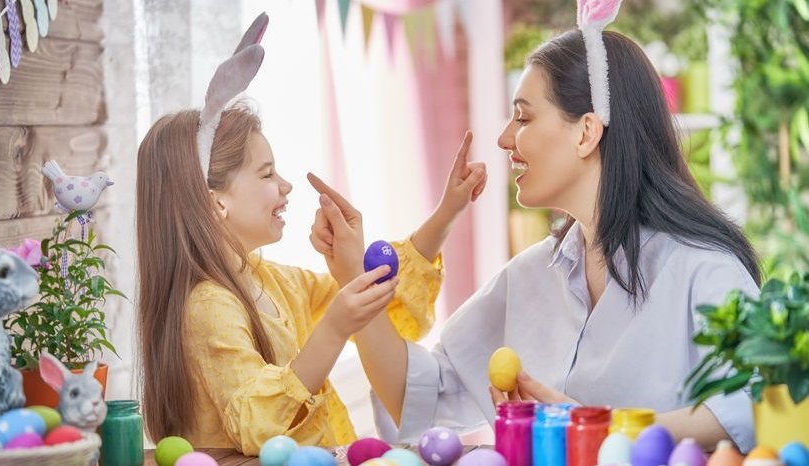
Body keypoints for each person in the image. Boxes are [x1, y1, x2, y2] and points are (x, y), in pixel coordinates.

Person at [310, 28, 760, 453]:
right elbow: (420, 393)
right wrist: (351, 273)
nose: (505, 138)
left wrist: (596, 426)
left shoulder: (705, 268)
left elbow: (753, 405)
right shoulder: (529, 276)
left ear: (586, 132)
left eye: (523, 116)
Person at [135, 15, 486, 456]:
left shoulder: (272, 281)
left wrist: (445, 214)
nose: (285, 186)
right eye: (267, 174)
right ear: (215, 203)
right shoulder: (208, 307)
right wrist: (334, 327)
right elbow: (256, 429)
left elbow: (378, 310)